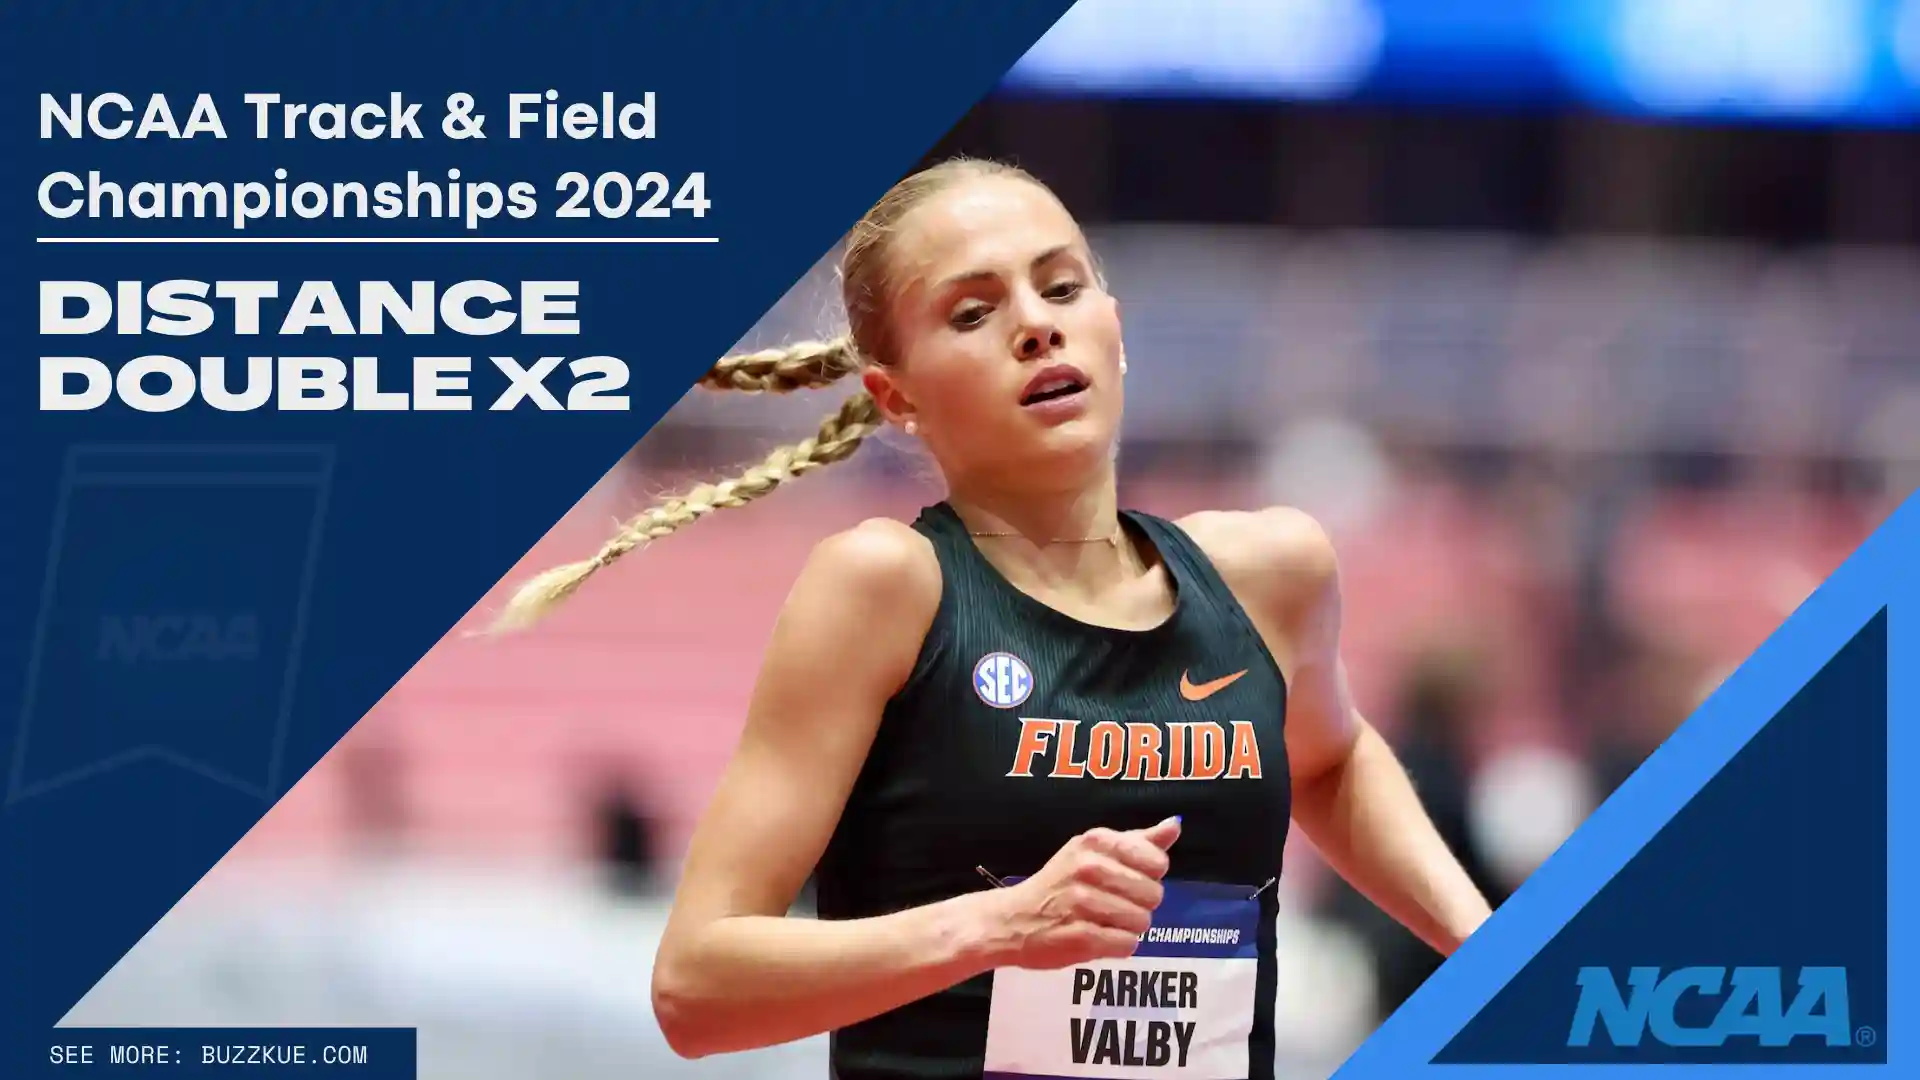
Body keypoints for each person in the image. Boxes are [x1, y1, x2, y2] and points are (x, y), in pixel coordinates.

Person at [494, 157, 1492, 1080]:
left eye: (1062, 288)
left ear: (1114, 325)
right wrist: (1000, 926)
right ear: (896, 398)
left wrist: (1487, 944)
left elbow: (1326, 758)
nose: (1036, 324)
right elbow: (695, 988)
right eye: (973, 312)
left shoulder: (1270, 573)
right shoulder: (887, 588)